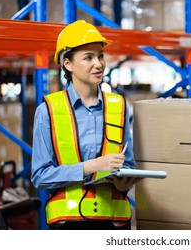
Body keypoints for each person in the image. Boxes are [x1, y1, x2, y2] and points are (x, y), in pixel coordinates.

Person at [31, 20, 137, 230]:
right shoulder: (49, 111)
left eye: (100, 56)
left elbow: (129, 165)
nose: (98, 64)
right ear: (67, 64)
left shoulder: (120, 107)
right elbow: (40, 176)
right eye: (88, 57)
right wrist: (91, 167)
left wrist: (124, 179)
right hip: (70, 226)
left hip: (114, 223)